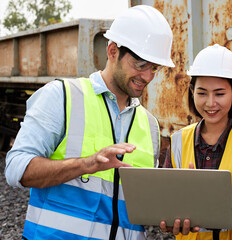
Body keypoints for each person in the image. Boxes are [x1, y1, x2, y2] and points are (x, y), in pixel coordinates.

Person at [5, 5, 175, 240]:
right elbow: (16, 169)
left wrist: (172, 217)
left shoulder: (150, 124)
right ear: (113, 51)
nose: (147, 77)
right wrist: (86, 164)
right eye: (140, 64)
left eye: (154, 68)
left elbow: (137, 206)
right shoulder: (62, 96)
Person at [160, 44, 232, 239]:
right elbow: (169, 203)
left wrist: (192, 207)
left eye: (219, 94)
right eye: (202, 93)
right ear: (192, 91)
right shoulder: (177, 141)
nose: (210, 103)